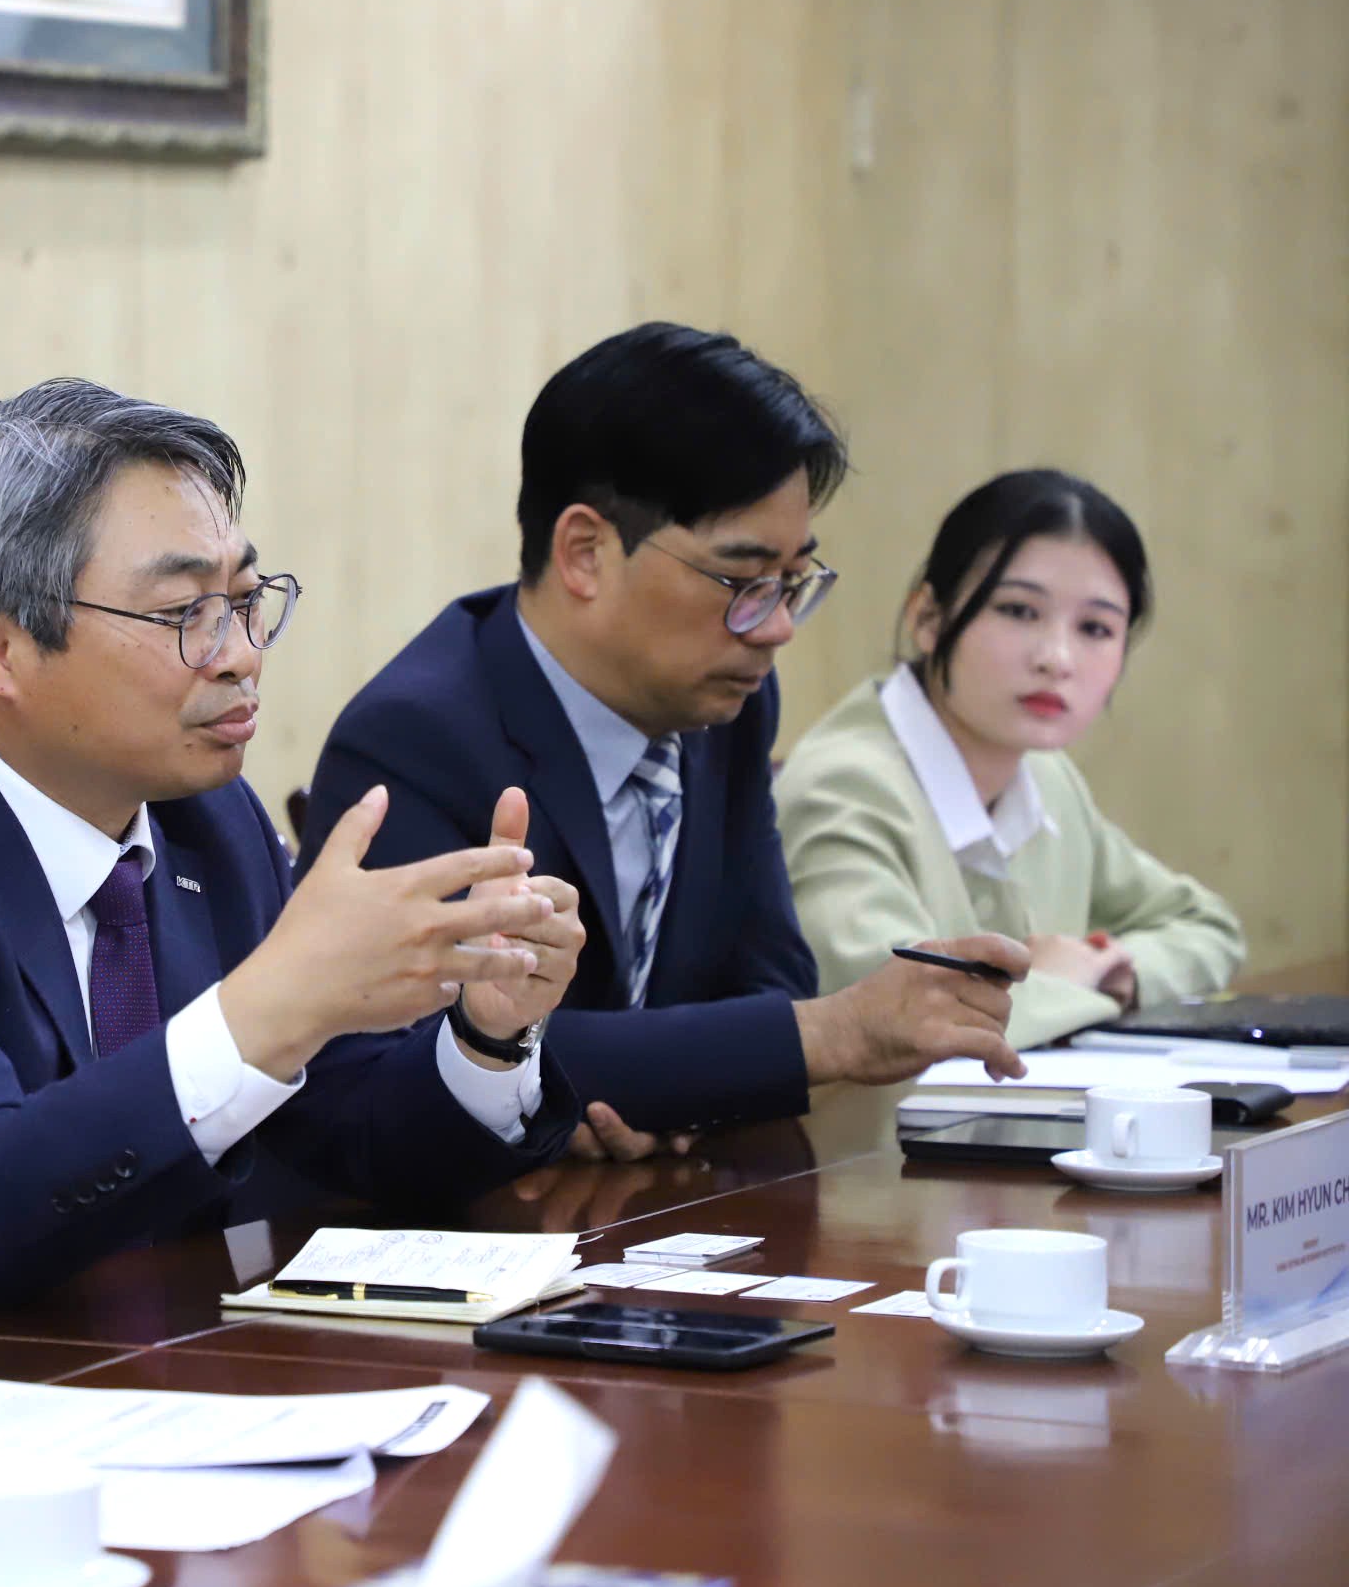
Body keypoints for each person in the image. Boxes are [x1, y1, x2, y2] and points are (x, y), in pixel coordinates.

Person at [0, 379, 587, 1306]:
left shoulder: (209, 825)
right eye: (183, 614)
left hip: (178, 1367)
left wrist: (488, 1034)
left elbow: (346, 1132)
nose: (242, 653)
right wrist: (263, 1011)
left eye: (244, 600)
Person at [296, 323, 1030, 1161]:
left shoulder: (726, 701)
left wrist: (675, 1089)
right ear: (585, 552)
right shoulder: (417, 738)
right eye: (743, 581)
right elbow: (419, 1054)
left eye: (793, 580)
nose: (778, 627)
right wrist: (838, 1034)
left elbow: (769, 978)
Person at [775, 469, 1245, 1051]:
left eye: (1095, 627)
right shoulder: (843, 788)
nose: (1057, 658)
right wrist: (1062, 982)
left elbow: (1208, 927)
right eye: (1019, 611)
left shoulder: (1045, 778)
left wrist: (1113, 971)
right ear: (928, 618)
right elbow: (904, 1013)